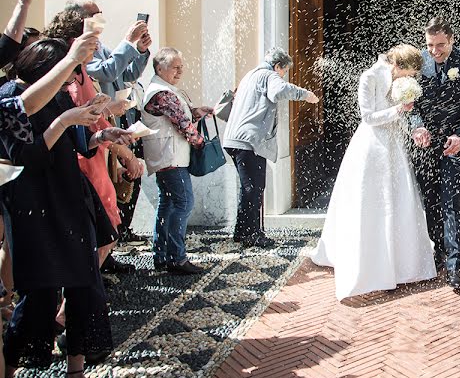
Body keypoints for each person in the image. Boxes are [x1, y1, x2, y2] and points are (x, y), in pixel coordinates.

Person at [0, 39, 131, 378]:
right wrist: (65, 119)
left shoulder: (55, 94)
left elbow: (73, 140)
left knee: (84, 285)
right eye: (68, 70)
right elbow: (27, 154)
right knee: (40, 293)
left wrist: (102, 134)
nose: (73, 78)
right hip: (33, 204)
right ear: (44, 67)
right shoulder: (11, 96)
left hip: (68, 195)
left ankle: (76, 373)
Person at [312, 44, 436, 299]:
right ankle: (374, 265)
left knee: (400, 199)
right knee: (372, 203)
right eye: (409, 73)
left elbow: (402, 117)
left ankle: (403, 264)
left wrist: (414, 129)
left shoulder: (399, 80)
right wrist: (398, 109)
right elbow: (368, 117)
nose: (410, 78)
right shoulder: (369, 77)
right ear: (397, 66)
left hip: (395, 147)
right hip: (371, 147)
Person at [410, 17, 460, 291]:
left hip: (457, 144)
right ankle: (439, 252)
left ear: (451, 40)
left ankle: (455, 265)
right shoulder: (418, 62)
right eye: (430, 45)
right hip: (425, 146)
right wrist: (416, 126)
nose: (434, 51)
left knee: (452, 202)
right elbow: (410, 102)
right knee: (430, 200)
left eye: (440, 45)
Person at [70, 0, 152, 244]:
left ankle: (120, 230)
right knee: (107, 183)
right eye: (93, 14)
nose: (99, 18)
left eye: (100, 13)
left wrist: (140, 51)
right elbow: (106, 71)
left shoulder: (101, 46)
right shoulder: (80, 48)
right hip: (95, 128)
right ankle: (108, 240)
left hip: (116, 120)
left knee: (126, 177)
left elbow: (126, 74)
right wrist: (127, 42)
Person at [223, 48, 319, 248]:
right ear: (278, 66)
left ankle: (242, 231)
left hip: (234, 139)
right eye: (283, 72)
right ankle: (252, 234)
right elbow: (279, 91)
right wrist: (306, 94)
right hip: (249, 141)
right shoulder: (268, 75)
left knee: (248, 188)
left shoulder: (250, 75)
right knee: (255, 189)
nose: (283, 76)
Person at [141, 47, 213, 275]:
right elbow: (182, 123)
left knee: (168, 204)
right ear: (160, 68)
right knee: (183, 204)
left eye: (181, 67)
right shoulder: (161, 92)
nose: (180, 71)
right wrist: (202, 144)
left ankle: (162, 255)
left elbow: (181, 113)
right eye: (175, 67)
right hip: (170, 157)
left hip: (167, 156)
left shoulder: (163, 88)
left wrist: (196, 110)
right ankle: (176, 257)